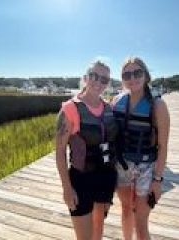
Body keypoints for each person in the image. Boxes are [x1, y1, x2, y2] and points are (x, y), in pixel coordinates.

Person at [56, 61, 118, 240]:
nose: (98, 82)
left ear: (108, 83)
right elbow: (60, 152)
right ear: (85, 78)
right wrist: (67, 188)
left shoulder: (108, 108)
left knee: (98, 233)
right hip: (81, 180)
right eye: (94, 76)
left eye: (104, 79)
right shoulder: (70, 109)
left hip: (104, 178)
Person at [112, 57, 170, 240]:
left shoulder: (157, 105)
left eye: (137, 73)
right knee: (126, 210)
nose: (132, 78)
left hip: (146, 168)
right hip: (122, 165)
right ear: (122, 79)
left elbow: (163, 146)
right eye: (127, 74)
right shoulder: (116, 101)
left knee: (141, 220)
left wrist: (158, 179)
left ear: (145, 75)